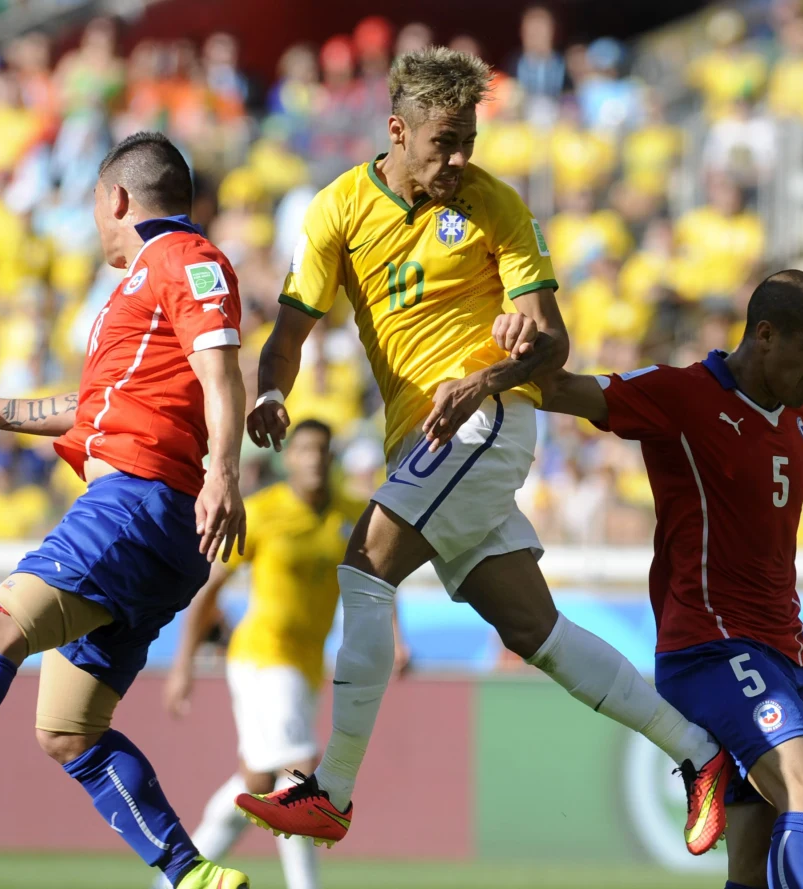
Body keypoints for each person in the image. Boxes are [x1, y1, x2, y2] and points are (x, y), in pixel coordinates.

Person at [240, 46, 725, 853]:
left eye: (468, 140)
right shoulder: (335, 210)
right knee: (533, 629)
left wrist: (491, 373)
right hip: (422, 441)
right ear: (398, 129)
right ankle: (701, 754)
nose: (460, 160)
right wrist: (271, 391)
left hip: (484, 415)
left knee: (365, 565)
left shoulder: (495, 205)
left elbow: (554, 345)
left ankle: (334, 791)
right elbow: (290, 332)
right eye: (443, 144)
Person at [0, 132, 250, 889]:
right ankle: (191, 872)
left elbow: (222, 372)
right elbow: (93, 407)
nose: (95, 223)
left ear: (116, 199)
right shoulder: (145, 287)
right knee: (69, 729)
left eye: (95, 207)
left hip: (138, 504)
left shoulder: (184, 258)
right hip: (157, 531)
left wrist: (225, 472)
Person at [496, 269, 803, 888]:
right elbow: (558, 390)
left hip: (783, 652)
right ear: (765, 335)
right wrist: (518, 339)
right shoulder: (680, 395)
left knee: (752, 861)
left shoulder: (800, 415)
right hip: (713, 646)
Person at [159, 419, 406, 889]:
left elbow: (380, 576)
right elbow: (209, 593)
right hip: (263, 657)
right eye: (304, 449)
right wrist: (182, 666)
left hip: (308, 664)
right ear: (288, 458)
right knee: (300, 777)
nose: (313, 458)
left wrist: (397, 635)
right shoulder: (263, 511)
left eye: (322, 449)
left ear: (331, 458)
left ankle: (177, 876)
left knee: (255, 782)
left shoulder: (351, 515)